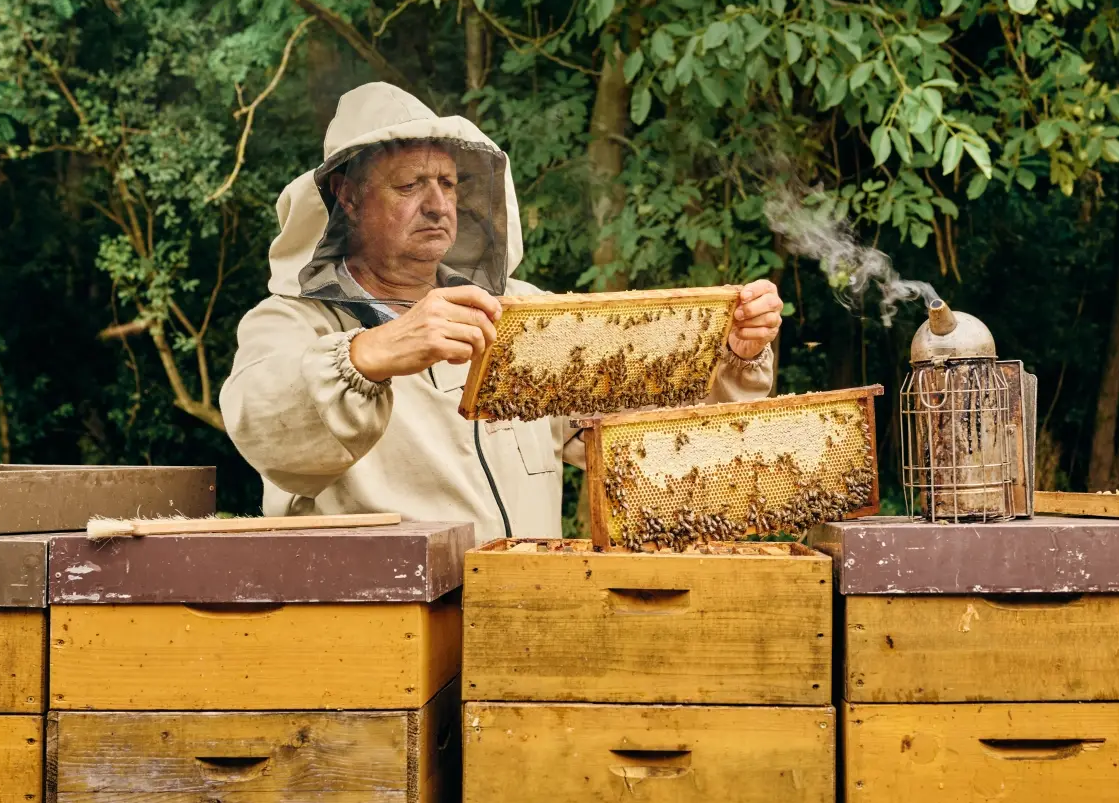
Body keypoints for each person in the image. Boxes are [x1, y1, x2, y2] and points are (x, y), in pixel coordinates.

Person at [221, 82, 784, 539]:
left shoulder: (522, 314)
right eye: (410, 184)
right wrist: (366, 355)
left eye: (447, 182)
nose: (438, 204)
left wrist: (731, 357)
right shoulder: (292, 322)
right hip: (384, 648)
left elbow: (641, 439)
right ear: (347, 195)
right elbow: (261, 425)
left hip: (523, 624)